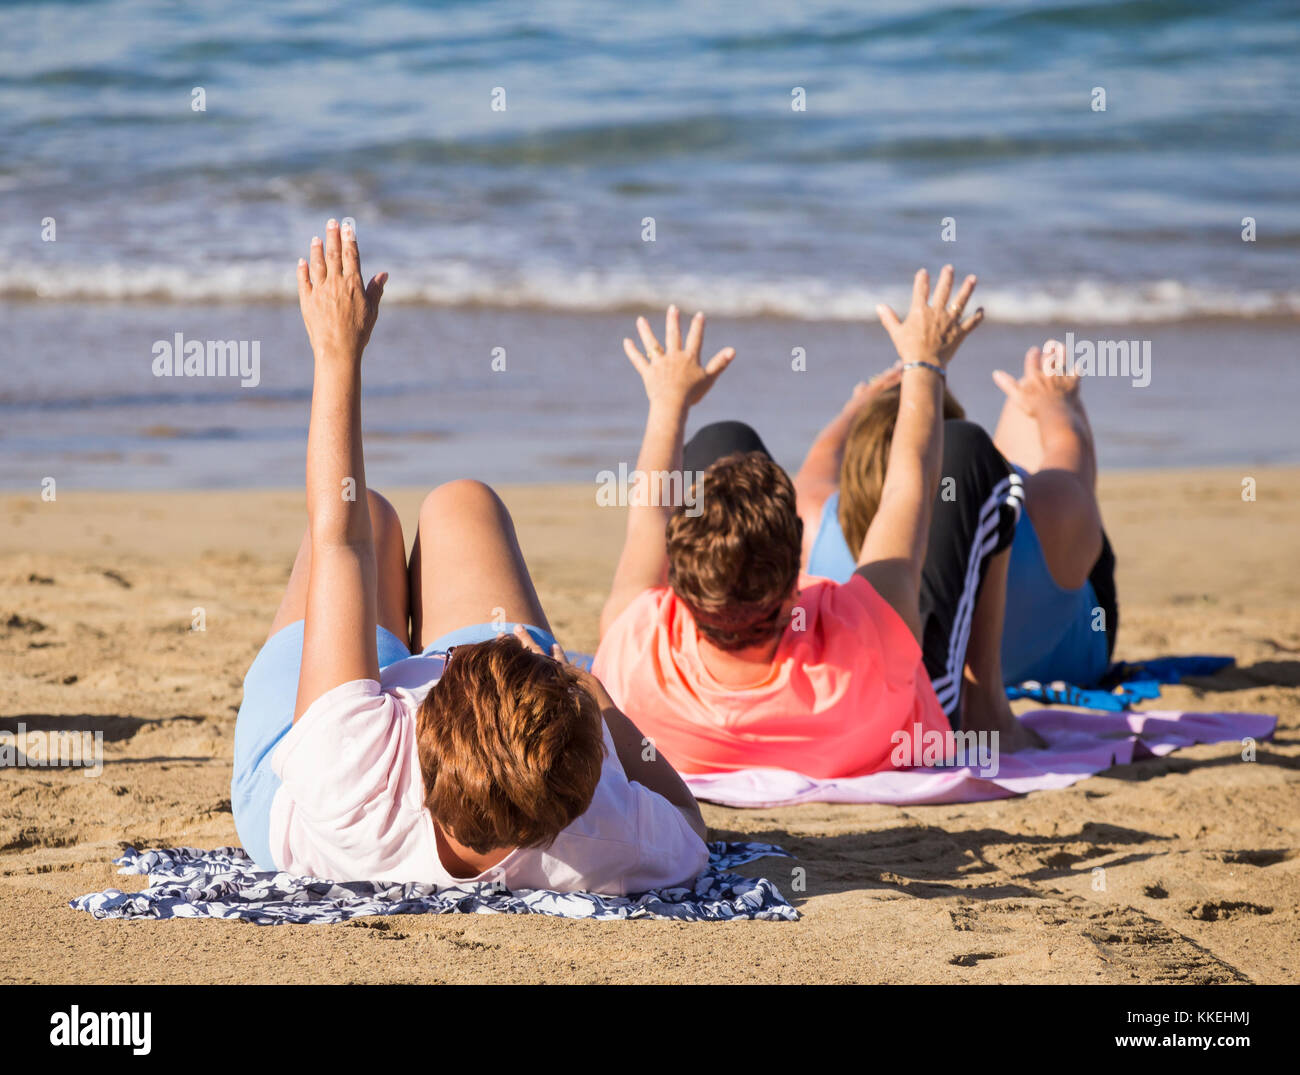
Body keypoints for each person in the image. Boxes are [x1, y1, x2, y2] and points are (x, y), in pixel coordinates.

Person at [231, 220, 708, 894]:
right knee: (462, 502)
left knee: (368, 514)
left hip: (301, 783)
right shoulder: (601, 834)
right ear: (582, 775)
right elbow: (689, 822)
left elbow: (340, 537)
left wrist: (338, 353)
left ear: (425, 712)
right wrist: (594, 698)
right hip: (499, 761)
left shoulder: (343, 767)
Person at [593, 267, 1041, 780]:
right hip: (894, 721)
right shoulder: (874, 634)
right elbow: (909, 485)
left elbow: (651, 510)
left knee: (724, 439)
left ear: (679, 583)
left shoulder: (634, 641)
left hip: (693, 732)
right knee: (966, 450)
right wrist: (925, 362)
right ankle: (990, 711)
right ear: (797, 579)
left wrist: (668, 399)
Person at [798, 341, 1117, 691]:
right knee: (1028, 403)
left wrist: (857, 406)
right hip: (1063, 666)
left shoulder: (813, 522)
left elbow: (824, 453)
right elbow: (1071, 449)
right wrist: (1057, 404)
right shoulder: (1056, 507)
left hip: (916, 675)